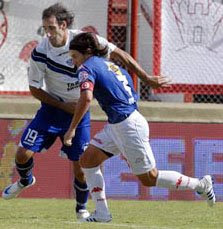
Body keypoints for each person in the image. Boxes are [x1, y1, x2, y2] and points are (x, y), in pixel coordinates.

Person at [1, 3, 169, 220]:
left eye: (52, 28)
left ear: (63, 25)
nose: (48, 34)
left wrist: (146, 77)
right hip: (52, 109)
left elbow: (119, 54)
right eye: (45, 29)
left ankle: (81, 208)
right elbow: (34, 88)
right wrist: (62, 105)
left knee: (81, 166)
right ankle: (25, 180)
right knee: (23, 154)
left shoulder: (84, 41)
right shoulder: (40, 51)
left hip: (79, 112)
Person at [63, 32, 216, 223]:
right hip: (121, 123)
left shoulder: (86, 68)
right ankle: (102, 214)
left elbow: (86, 97)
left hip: (127, 126)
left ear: (86, 53)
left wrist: (72, 129)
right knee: (87, 161)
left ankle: (199, 184)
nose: (74, 62)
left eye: (74, 57)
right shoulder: (110, 65)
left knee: (149, 178)